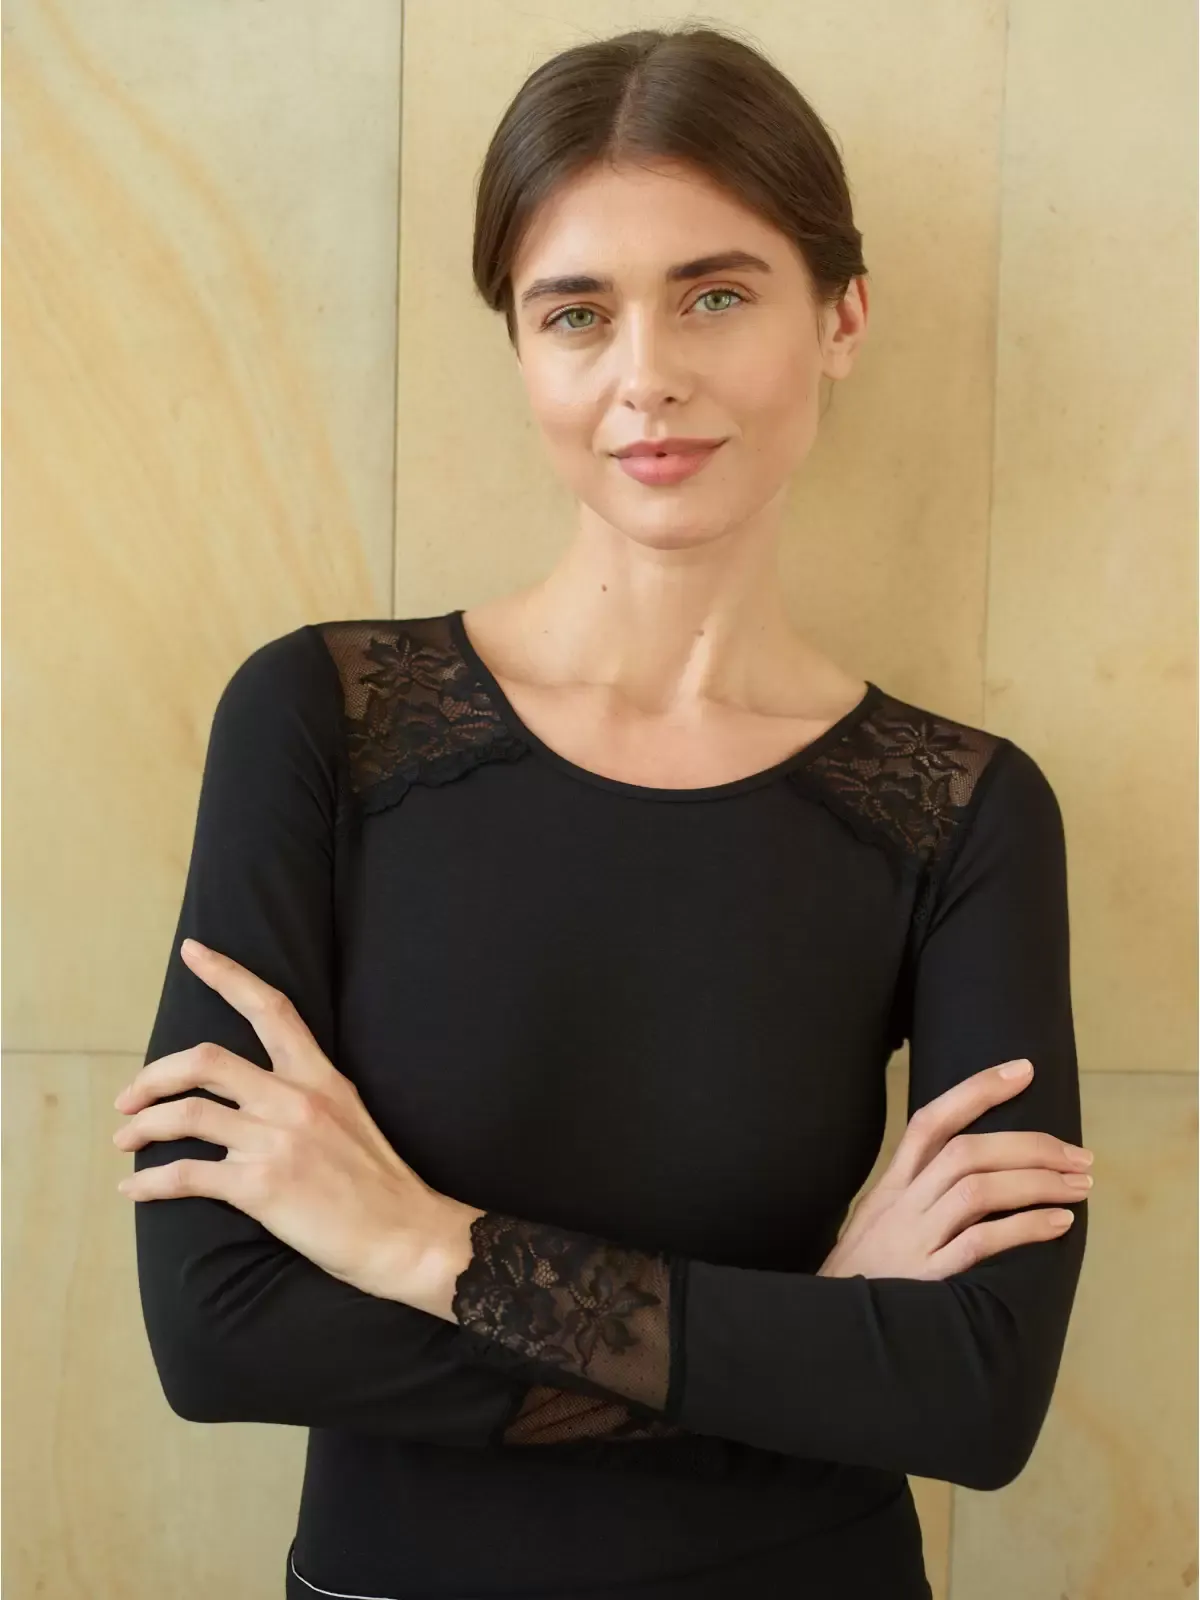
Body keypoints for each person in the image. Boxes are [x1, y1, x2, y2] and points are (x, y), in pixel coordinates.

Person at [121, 24, 1090, 1599]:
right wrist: (813, 1345)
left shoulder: (966, 812)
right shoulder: (319, 724)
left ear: (841, 315)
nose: (648, 376)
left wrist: (421, 1248)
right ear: (521, 347)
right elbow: (218, 1326)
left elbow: (974, 1391)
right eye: (577, 312)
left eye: (716, 294)